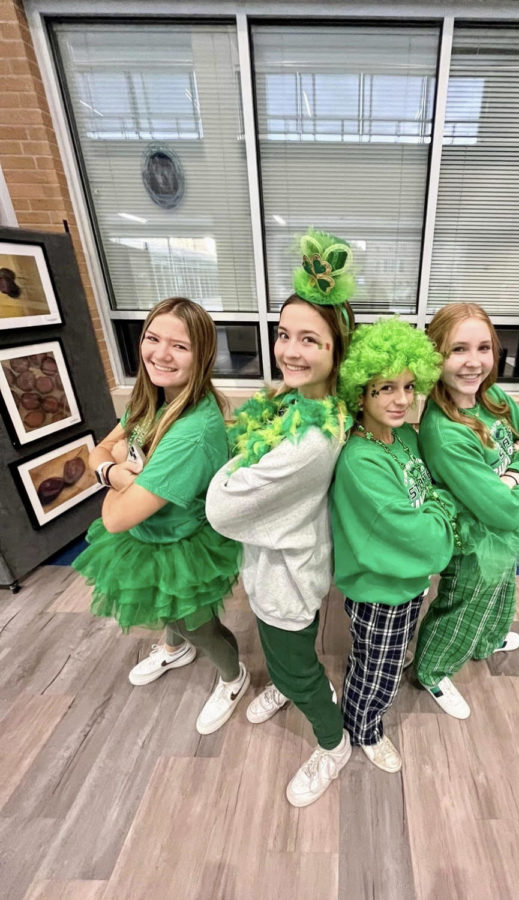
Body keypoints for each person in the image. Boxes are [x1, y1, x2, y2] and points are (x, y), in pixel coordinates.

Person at [206, 229, 356, 807]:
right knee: (276, 647)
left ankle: (331, 740)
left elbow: (222, 507)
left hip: (287, 576)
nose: (290, 351)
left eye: (310, 341)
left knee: (294, 665)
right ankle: (292, 689)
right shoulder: (299, 404)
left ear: (337, 353)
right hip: (280, 562)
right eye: (284, 335)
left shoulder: (311, 440)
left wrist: (237, 462)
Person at [73, 297, 246, 736]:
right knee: (164, 609)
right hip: (150, 534)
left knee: (199, 624)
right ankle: (174, 648)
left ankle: (233, 677)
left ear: (203, 355)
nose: (160, 354)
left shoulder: (190, 432)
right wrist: (113, 472)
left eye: (180, 346)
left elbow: (114, 520)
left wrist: (109, 477)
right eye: (153, 338)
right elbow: (98, 449)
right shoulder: (153, 399)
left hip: (181, 544)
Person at [415, 302, 519, 718]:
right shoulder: (445, 432)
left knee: (503, 587)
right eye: (458, 350)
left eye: (483, 348)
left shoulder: (492, 396)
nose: (474, 362)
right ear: (436, 355)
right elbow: (502, 513)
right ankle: (431, 671)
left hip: (504, 515)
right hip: (476, 536)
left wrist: (515, 475)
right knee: (464, 600)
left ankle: (487, 640)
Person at [330, 317, 459, 772]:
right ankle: (362, 729)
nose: (402, 399)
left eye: (408, 386)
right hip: (381, 589)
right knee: (377, 670)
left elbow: (429, 495)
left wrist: (436, 506)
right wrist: (443, 509)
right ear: (360, 392)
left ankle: (362, 712)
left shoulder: (404, 436)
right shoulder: (360, 461)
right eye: (385, 388)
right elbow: (421, 533)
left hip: (408, 584)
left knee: (380, 655)